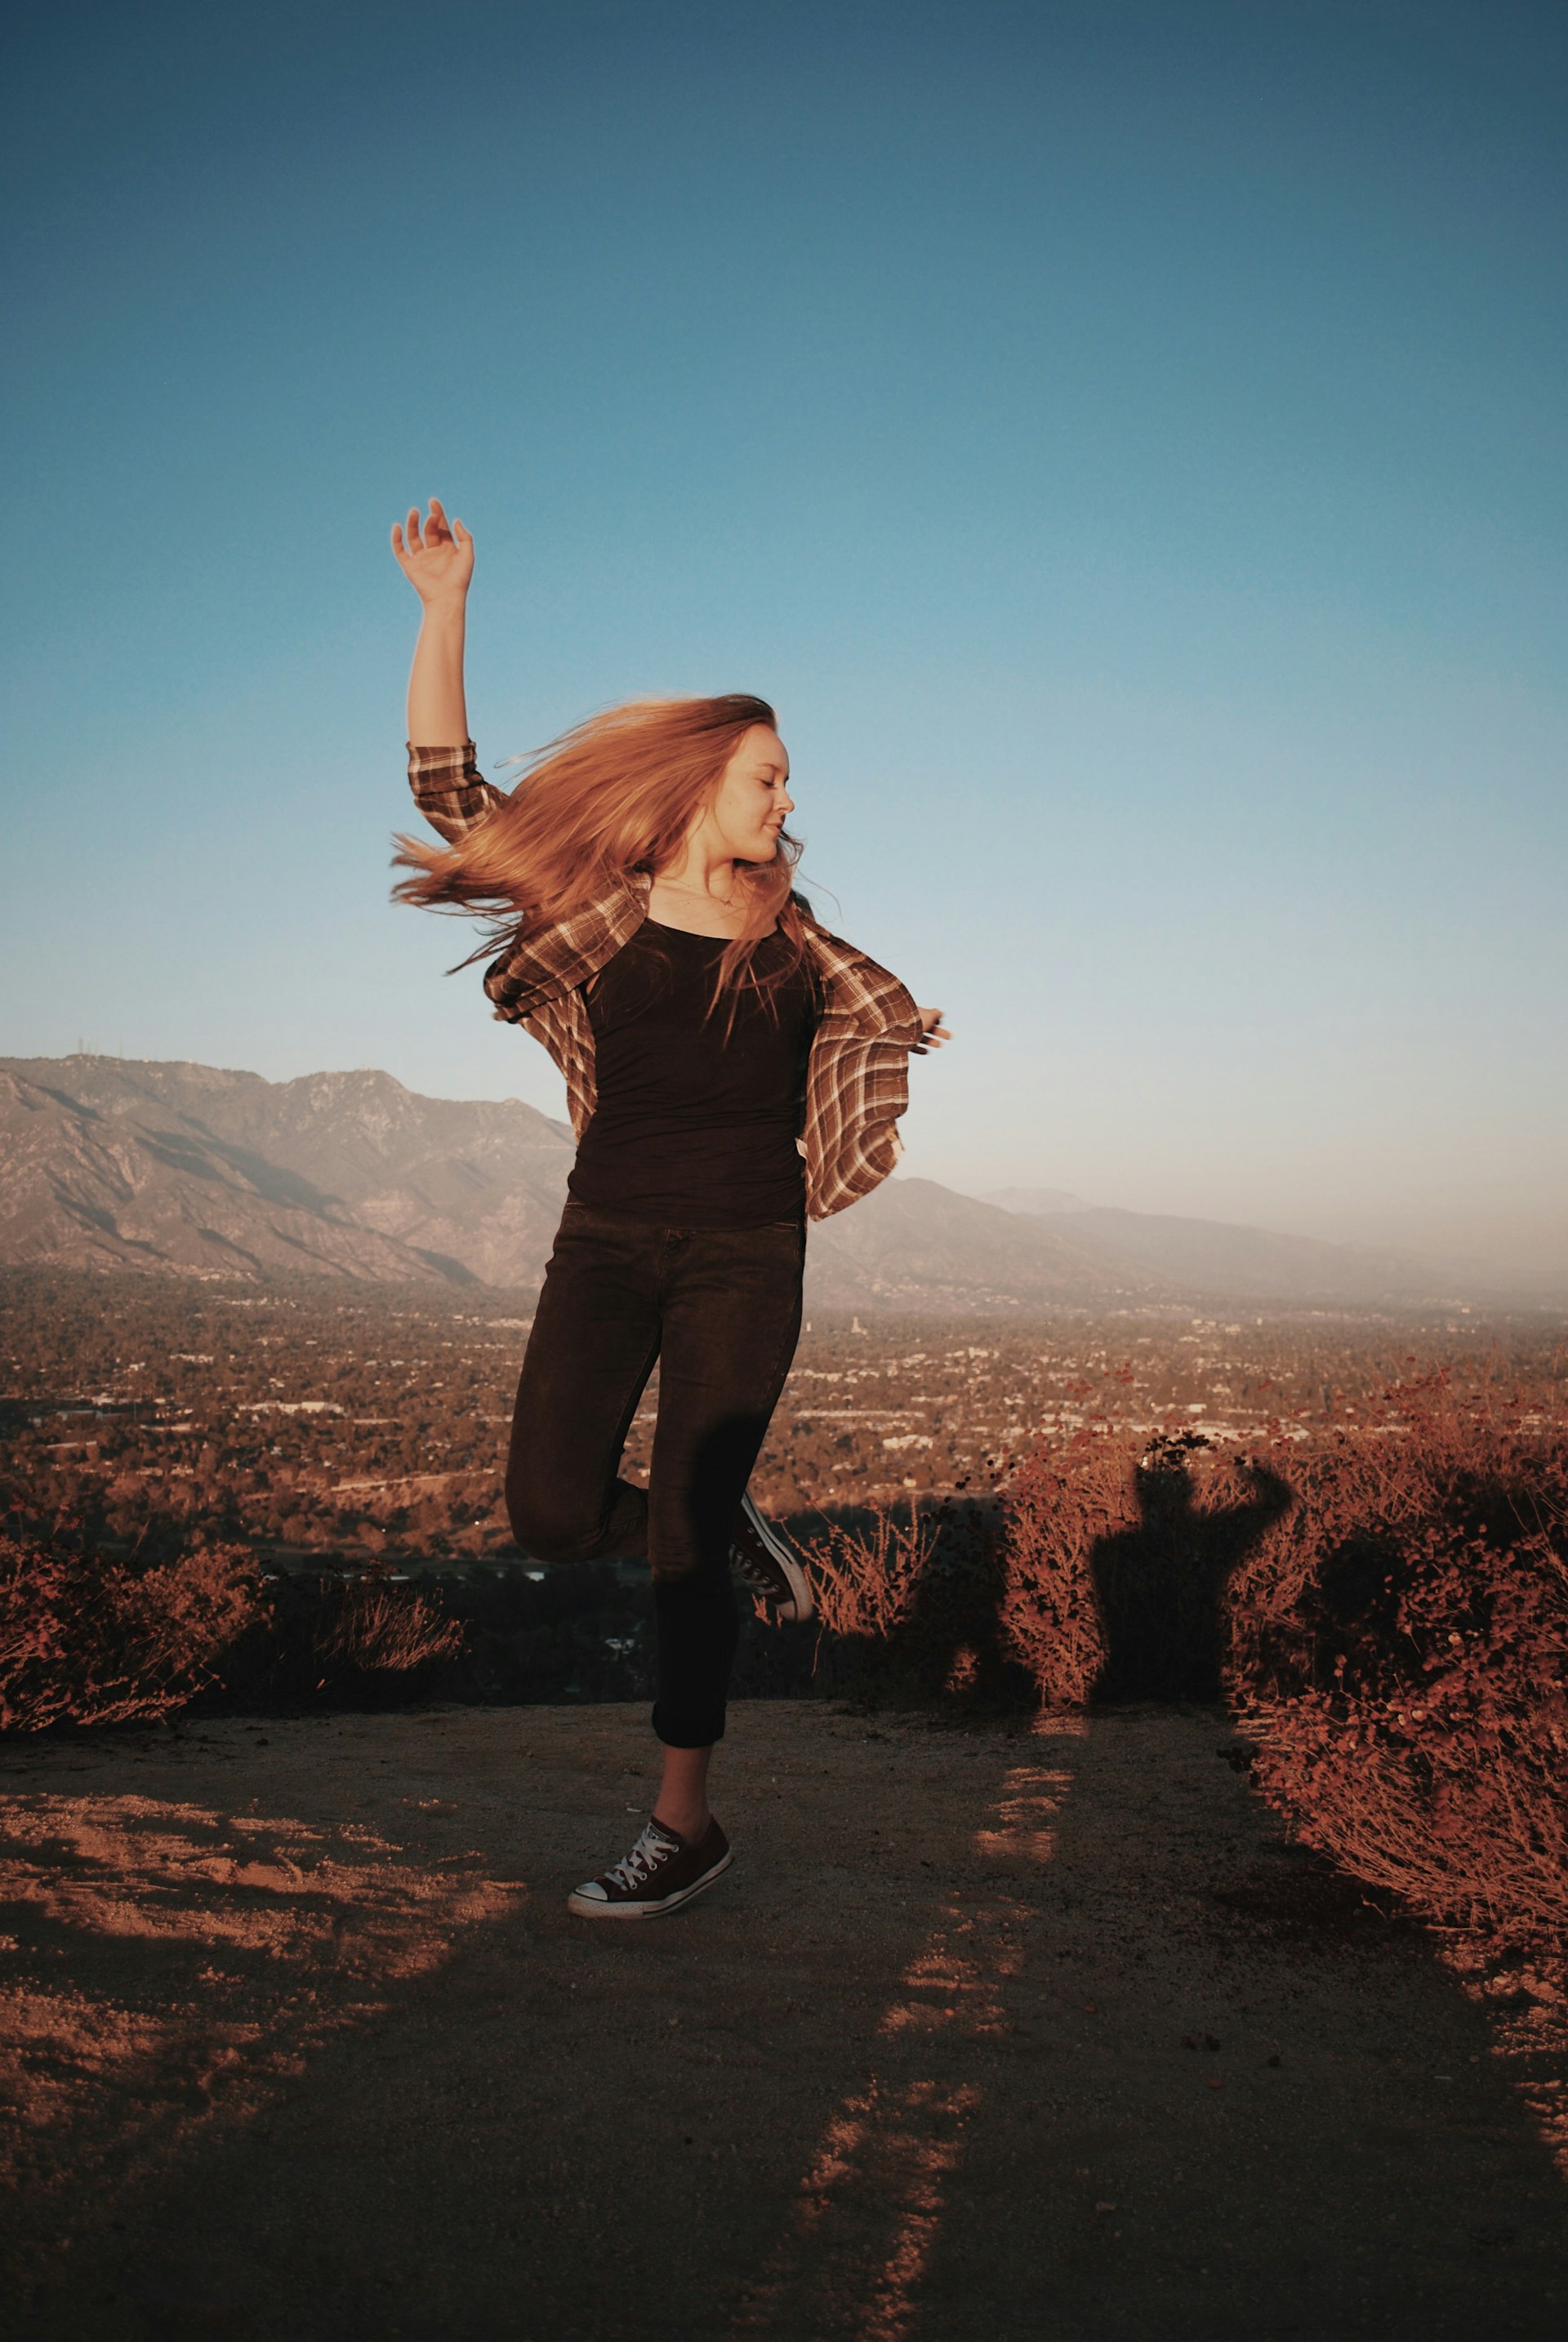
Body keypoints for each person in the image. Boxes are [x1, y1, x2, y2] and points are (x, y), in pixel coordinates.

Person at [390, 499, 949, 1920]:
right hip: (604, 1245)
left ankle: (682, 1823)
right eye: (768, 775)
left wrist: (897, 1034)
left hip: (747, 1259)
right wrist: (445, 607)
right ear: (699, 780)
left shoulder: (801, 944)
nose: (787, 800)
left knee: (685, 1543)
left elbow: (872, 1031)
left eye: (787, 780)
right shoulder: (601, 908)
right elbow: (451, 792)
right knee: (548, 1509)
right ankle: (730, 1533)